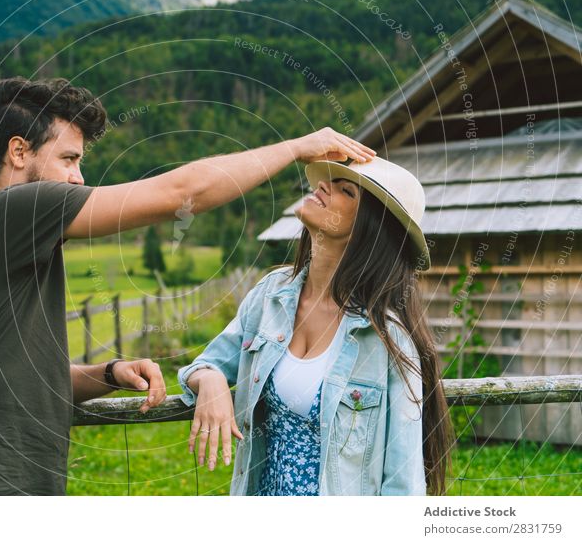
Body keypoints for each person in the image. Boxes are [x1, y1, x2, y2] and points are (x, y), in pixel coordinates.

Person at [0, 76, 376, 495]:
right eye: (68, 159)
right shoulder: (13, 211)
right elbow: (183, 195)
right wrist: (297, 147)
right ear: (19, 152)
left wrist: (108, 373)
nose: (78, 178)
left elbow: (17, 383)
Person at [178, 157, 455, 496]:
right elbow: (204, 365)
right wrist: (210, 380)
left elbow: (403, 482)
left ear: (369, 227)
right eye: (328, 181)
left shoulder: (387, 339)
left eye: (346, 190)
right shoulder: (270, 296)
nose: (323, 186)